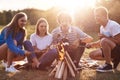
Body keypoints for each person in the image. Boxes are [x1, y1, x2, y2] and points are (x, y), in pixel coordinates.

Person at [86, 6, 120, 72]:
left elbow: (118, 41)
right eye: (95, 16)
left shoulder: (113, 25)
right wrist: (91, 44)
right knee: (92, 55)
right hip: (112, 49)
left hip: (118, 49)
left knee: (104, 40)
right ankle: (114, 59)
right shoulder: (101, 27)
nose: (96, 18)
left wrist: (104, 37)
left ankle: (108, 65)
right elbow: (103, 42)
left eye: (98, 16)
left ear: (105, 16)